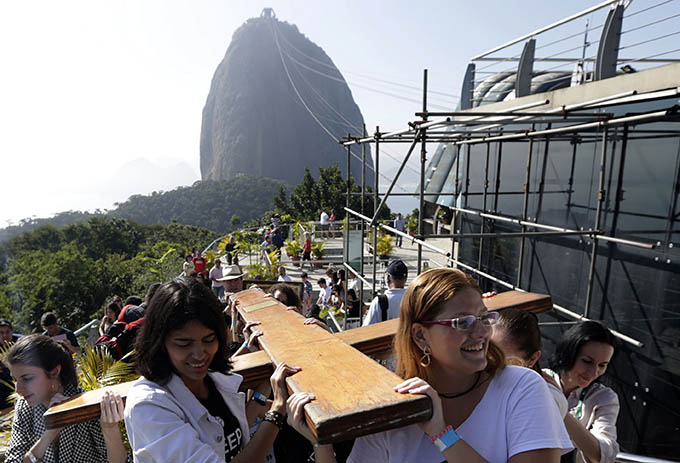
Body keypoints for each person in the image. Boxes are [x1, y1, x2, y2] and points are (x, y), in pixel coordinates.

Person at [288, 267, 572, 462]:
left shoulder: (520, 387)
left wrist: (441, 434)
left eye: (484, 317)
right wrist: (320, 443)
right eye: (463, 322)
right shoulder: (392, 408)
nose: (482, 332)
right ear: (421, 336)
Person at [124, 278, 301, 462]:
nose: (199, 354)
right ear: (160, 343)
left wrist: (261, 392)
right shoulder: (148, 406)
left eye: (209, 339)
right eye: (184, 343)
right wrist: (278, 408)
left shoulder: (212, 378)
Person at [5, 334, 127, 463]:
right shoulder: (24, 407)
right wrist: (49, 434)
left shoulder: (87, 407)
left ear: (54, 372)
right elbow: (13, 460)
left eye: (27, 378)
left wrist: (110, 428)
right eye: (15, 379)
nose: (18, 389)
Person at [546, 321, 620, 463]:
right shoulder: (539, 381)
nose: (593, 372)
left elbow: (602, 455)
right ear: (568, 354)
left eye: (602, 365)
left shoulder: (604, 397)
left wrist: (560, 409)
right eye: (586, 361)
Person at [491, 308, 567, 417]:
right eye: (490, 355)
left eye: (506, 363)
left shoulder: (547, 399)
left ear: (533, 359)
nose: (493, 367)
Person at [362, 259, 408, 326]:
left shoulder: (379, 301)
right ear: (405, 278)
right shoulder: (414, 299)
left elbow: (367, 329)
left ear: (388, 277)